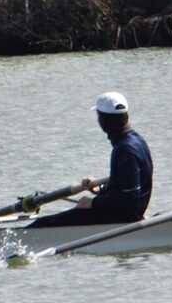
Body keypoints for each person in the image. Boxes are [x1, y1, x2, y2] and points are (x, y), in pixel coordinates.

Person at [28, 91, 153, 227]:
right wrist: (101, 190)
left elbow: (129, 198)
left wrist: (92, 203)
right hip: (128, 212)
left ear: (103, 120)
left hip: (123, 217)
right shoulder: (137, 140)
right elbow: (126, 187)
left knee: (42, 224)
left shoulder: (125, 149)